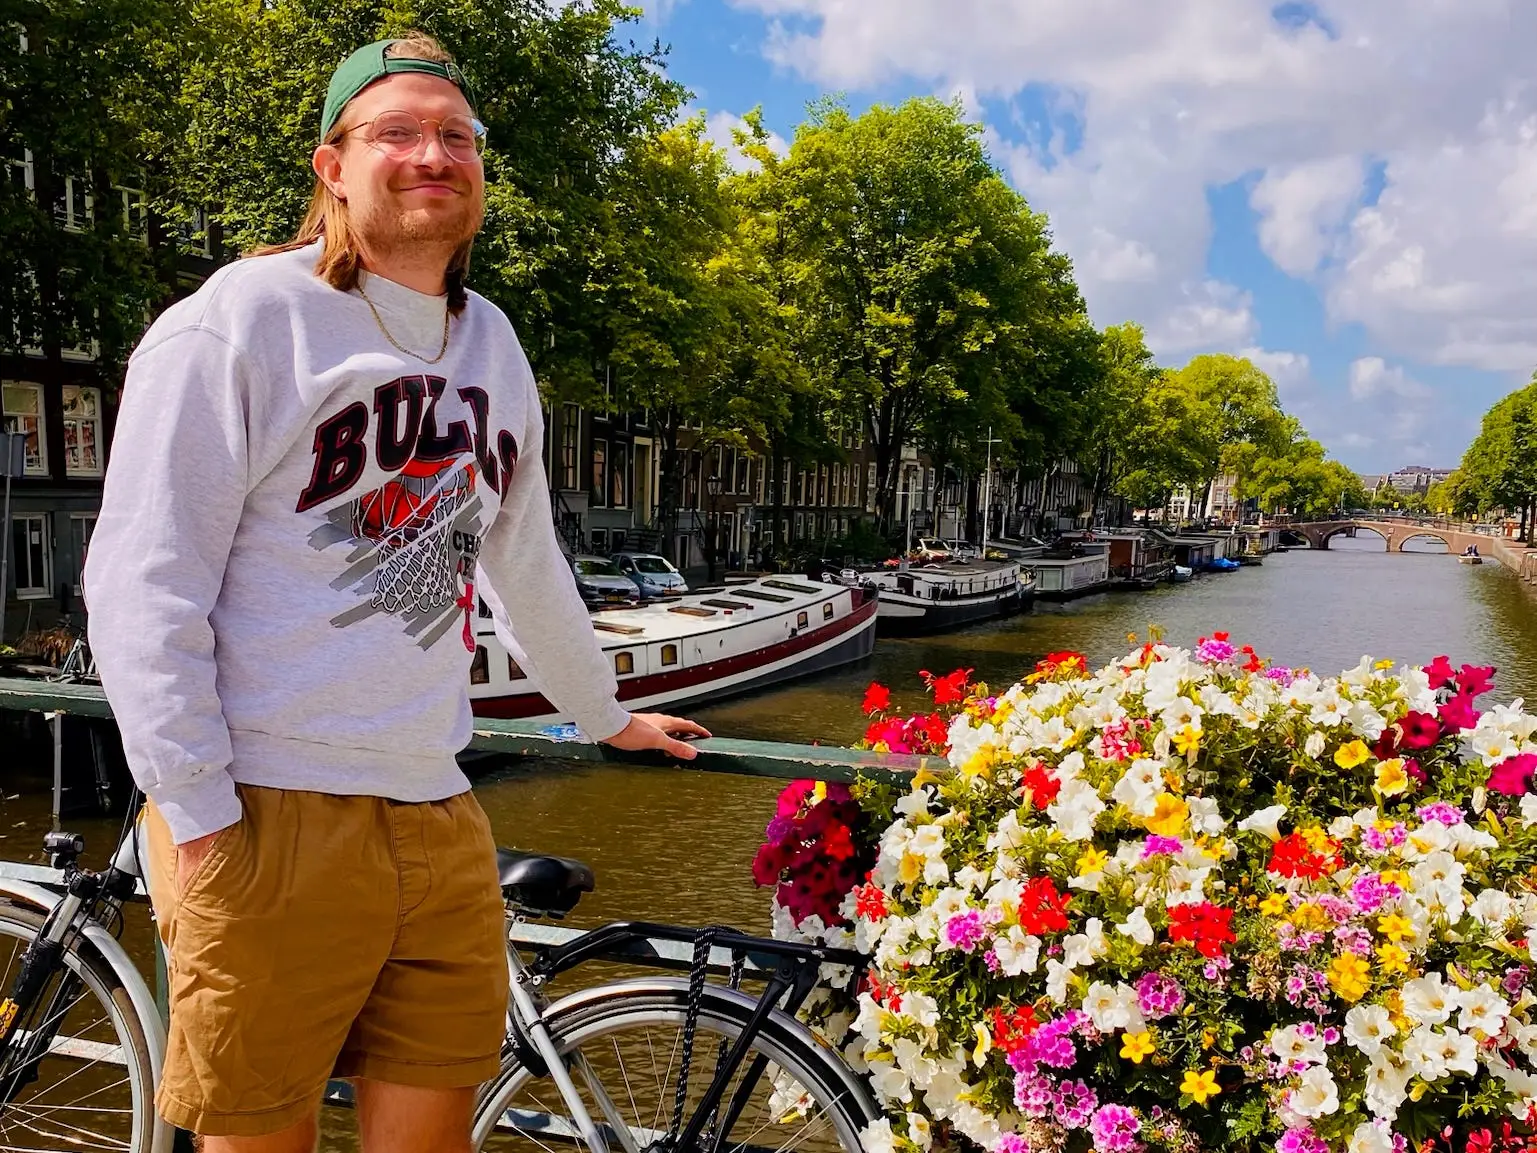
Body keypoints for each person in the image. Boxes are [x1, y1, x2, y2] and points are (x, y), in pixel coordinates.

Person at [83, 33, 708, 1153]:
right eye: (398, 133)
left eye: (456, 137)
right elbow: (143, 581)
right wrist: (203, 815)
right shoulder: (239, 322)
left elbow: (525, 560)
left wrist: (608, 714)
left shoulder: (493, 344)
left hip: (438, 807)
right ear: (332, 165)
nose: (434, 155)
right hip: (268, 806)